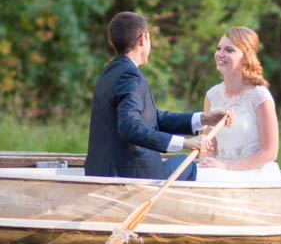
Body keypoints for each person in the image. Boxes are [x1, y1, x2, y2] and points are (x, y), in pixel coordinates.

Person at [85, 11, 228, 179]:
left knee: (180, 161)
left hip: (100, 169)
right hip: (129, 174)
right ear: (143, 39)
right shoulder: (130, 77)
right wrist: (185, 143)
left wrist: (204, 119)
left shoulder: (109, 72)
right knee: (186, 163)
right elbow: (130, 128)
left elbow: (153, 118)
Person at [195, 26, 281, 183]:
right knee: (192, 175)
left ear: (246, 57)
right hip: (219, 171)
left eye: (229, 50)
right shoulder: (212, 95)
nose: (220, 54)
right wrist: (206, 163)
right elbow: (209, 146)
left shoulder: (260, 96)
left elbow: (270, 152)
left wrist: (226, 167)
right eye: (219, 48)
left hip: (253, 173)